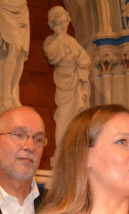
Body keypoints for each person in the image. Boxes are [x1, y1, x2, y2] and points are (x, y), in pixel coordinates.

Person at [43, 6, 91, 149]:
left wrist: (79, 62)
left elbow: (86, 59)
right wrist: (59, 38)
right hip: (64, 85)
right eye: (59, 23)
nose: (63, 26)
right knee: (62, 117)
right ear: (53, 25)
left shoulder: (72, 41)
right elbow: (51, 54)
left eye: (65, 22)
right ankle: (60, 150)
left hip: (75, 82)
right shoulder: (50, 41)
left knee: (76, 117)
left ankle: (74, 149)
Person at [0, 0, 30, 111]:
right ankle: (6, 93)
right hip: (6, 6)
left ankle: (13, 92)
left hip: (22, 8)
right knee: (16, 46)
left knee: (21, 52)